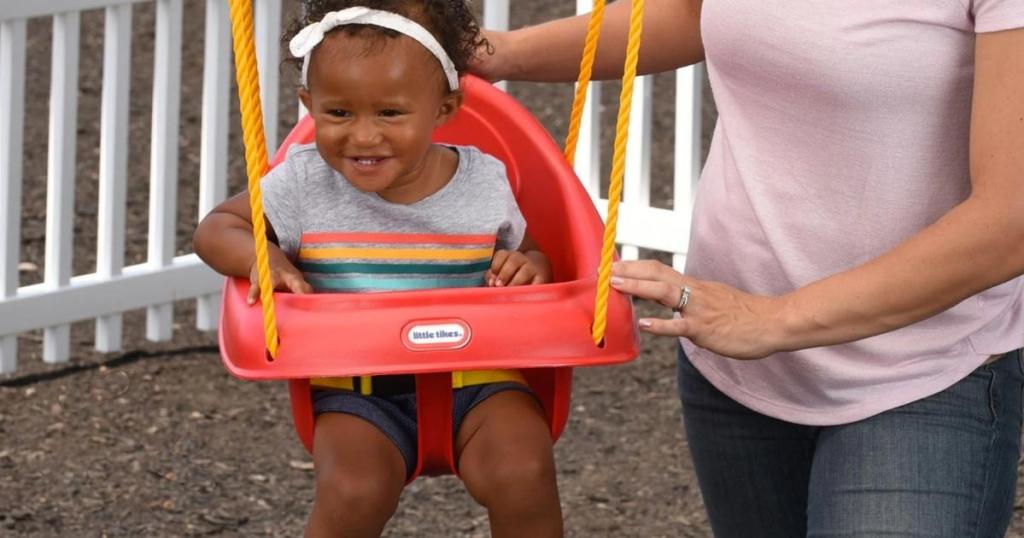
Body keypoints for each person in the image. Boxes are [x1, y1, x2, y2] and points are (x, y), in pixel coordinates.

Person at [474, 1, 1024, 536]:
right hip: (734, 365)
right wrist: (504, 52)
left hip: (917, 373)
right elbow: (693, 14)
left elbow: (1010, 220)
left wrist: (775, 318)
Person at [193, 2, 564, 536]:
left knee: (523, 471)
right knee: (354, 491)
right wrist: (262, 256)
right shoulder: (303, 185)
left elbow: (534, 254)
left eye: (390, 113)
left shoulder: (483, 182)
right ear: (309, 105)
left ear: (443, 108)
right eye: (339, 113)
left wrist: (527, 268)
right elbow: (216, 229)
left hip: (481, 380)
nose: (363, 137)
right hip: (357, 389)